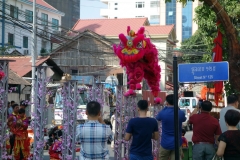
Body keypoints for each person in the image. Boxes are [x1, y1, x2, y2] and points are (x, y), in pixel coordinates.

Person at [156, 94, 186, 160]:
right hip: (177, 143)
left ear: (166, 102)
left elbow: (157, 118)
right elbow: (184, 119)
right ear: (177, 101)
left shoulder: (163, 113)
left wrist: (165, 107)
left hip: (165, 143)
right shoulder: (180, 113)